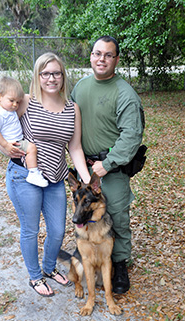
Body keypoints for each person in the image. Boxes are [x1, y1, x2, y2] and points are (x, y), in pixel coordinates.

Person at [0, 53, 90, 297]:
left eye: (56, 73)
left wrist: (87, 179)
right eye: (46, 73)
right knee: (30, 229)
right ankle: (35, 276)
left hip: (55, 179)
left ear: (63, 76)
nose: (51, 78)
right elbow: (0, 124)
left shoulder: (73, 109)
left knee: (58, 230)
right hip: (24, 176)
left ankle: (49, 269)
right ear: (38, 76)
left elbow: (75, 147)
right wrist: (5, 147)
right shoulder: (26, 102)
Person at [71, 35, 145, 294]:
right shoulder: (80, 87)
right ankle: (91, 256)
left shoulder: (124, 93)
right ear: (91, 56)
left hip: (111, 169)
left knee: (117, 217)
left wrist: (108, 163)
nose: (101, 59)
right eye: (97, 53)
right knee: (86, 215)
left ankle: (119, 263)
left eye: (108, 55)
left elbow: (132, 136)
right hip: (84, 166)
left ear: (116, 59)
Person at [0, 76, 48, 187]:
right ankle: (33, 173)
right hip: (13, 142)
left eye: (17, 101)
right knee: (32, 148)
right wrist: (6, 145)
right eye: (11, 101)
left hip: (17, 139)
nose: (15, 105)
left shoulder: (9, 110)